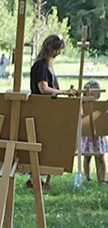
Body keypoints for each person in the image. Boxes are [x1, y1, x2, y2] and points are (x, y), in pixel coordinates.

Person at [28, 34, 77, 190]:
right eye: (57, 50)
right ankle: (34, 177)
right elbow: (43, 89)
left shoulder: (48, 65)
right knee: (43, 143)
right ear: (50, 48)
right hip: (41, 109)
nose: (59, 53)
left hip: (48, 109)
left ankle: (43, 178)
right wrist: (63, 92)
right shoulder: (41, 65)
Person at [81, 80, 107, 184]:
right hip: (88, 134)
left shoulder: (100, 105)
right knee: (87, 157)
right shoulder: (84, 104)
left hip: (98, 133)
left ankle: (102, 178)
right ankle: (88, 177)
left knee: (101, 157)